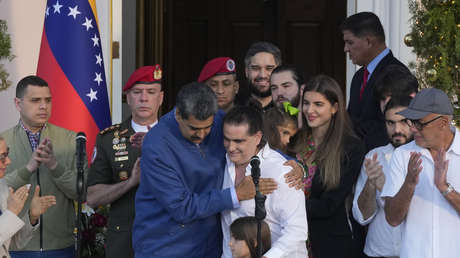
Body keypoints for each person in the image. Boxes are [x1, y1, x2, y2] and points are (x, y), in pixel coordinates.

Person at [0, 75, 85, 257]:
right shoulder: (3, 142)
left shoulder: (71, 140)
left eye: (48, 100)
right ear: (18, 103)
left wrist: (55, 166)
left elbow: (83, 193)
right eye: (35, 100)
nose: (43, 106)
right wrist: (28, 168)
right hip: (16, 247)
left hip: (61, 246)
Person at [86, 65, 164, 258]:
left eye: (151, 92)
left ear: (161, 98)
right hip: (124, 241)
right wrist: (130, 182)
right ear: (128, 98)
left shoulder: (176, 135)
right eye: (137, 92)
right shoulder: (109, 139)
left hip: (167, 237)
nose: (144, 98)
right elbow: (93, 197)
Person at [290, 75, 365, 258]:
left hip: (330, 244)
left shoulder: (351, 148)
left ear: (334, 108)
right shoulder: (295, 141)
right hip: (292, 241)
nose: (310, 110)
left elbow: (329, 204)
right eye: (306, 103)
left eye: (318, 104)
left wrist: (289, 206)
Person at [382, 88, 460, 258]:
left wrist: (444, 188)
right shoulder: (402, 155)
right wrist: (409, 184)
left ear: (443, 123)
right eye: (411, 122)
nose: (413, 129)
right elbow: (392, 219)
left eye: (420, 123)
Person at [221, 106, 308, 258]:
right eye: (226, 139)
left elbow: (297, 230)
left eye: (238, 141)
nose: (231, 147)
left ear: (257, 137)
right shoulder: (222, 164)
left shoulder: (282, 172)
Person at [352, 96, 414, 258]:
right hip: (376, 252)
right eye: (390, 123)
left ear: (415, 122)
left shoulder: (427, 159)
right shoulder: (374, 157)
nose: (397, 130)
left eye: (403, 122)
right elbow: (361, 217)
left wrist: (383, 185)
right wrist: (370, 185)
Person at [341, 12, 411, 151]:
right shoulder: (359, 76)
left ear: (368, 41)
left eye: (350, 42)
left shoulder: (396, 74)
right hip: (358, 161)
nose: (346, 49)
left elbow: (395, 124)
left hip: (383, 162)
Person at [0, 136, 56, 258]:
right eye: (2, 157)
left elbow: (12, 243)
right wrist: (11, 212)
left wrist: (31, 217)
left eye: (7, 154)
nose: (8, 161)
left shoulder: (2, 186)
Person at [244, 41, 282, 111]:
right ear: (246, 71)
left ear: (279, 71)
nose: (262, 75)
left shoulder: (290, 111)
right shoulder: (234, 109)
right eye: (255, 68)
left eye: (269, 68)